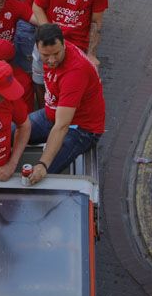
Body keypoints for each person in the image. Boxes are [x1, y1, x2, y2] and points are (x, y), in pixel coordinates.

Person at [26, 23, 106, 180]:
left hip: (81, 128)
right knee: (12, 131)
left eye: (56, 54)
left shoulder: (75, 73)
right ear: (37, 47)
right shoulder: (47, 52)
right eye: (45, 55)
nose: (51, 60)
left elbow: (62, 126)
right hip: (52, 112)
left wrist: (43, 165)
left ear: (64, 44)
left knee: (45, 174)